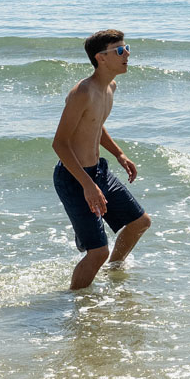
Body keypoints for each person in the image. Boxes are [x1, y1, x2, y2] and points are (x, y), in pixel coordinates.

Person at [51, 29, 152, 289]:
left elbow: (95, 125)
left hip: (98, 172)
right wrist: (87, 185)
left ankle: (112, 272)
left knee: (140, 223)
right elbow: (60, 143)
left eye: (126, 48)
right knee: (97, 252)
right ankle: (77, 305)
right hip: (74, 178)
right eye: (119, 50)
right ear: (101, 58)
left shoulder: (110, 87)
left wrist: (118, 153)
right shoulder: (82, 92)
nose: (127, 53)